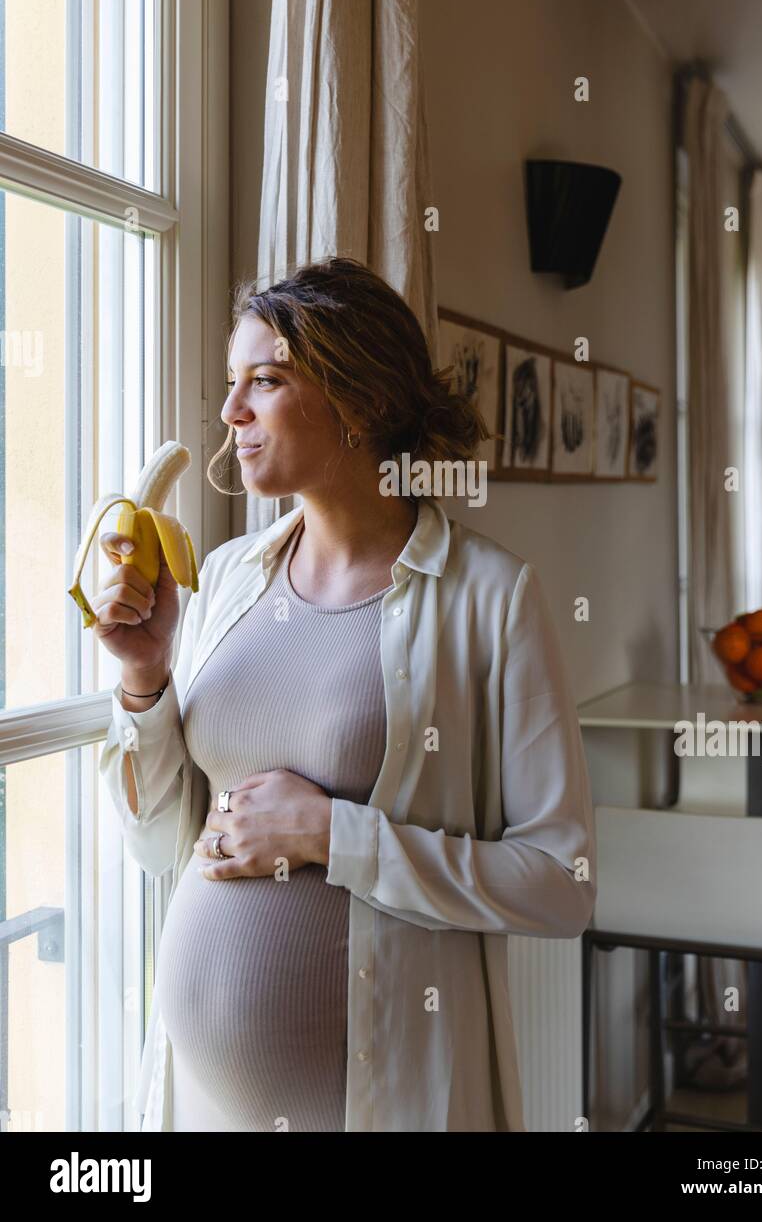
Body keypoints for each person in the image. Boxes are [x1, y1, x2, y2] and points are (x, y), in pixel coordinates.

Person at [96, 255, 596, 1132]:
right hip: (198, 1105)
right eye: (230, 382)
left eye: (267, 380)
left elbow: (561, 883)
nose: (230, 412)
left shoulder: (488, 598)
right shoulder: (223, 580)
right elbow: (158, 842)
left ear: (359, 401)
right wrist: (144, 677)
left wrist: (333, 835)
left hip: (378, 1098)